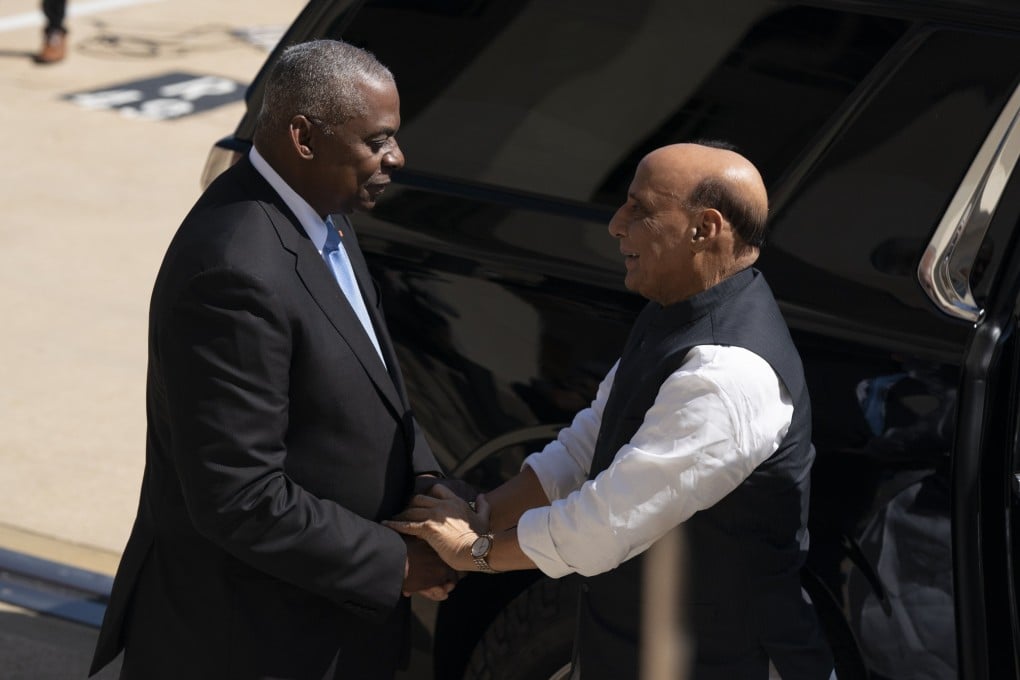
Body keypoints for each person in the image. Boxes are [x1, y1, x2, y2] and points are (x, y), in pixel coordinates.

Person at [388, 142, 836, 679]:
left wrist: (475, 550)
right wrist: (483, 511)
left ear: (705, 228)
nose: (615, 225)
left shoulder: (729, 374)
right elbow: (588, 443)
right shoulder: (673, 312)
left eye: (640, 209)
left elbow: (605, 523)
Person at [89, 39, 457, 680]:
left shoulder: (325, 214)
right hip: (247, 641)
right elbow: (239, 494)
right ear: (304, 138)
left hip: (320, 623)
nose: (396, 157)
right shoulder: (234, 270)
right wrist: (394, 562)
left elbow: (371, 387)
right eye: (377, 140)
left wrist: (428, 487)